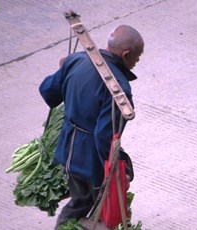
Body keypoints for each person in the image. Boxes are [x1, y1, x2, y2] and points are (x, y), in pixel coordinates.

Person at [39, 24, 144, 229]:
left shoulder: (76, 60)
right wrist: (121, 169)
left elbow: (48, 92)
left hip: (67, 150)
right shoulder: (119, 89)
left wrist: (64, 69)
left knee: (80, 201)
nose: (136, 63)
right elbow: (104, 137)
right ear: (126, 54)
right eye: (137, 58)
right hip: (90, 161)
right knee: (108, 210)